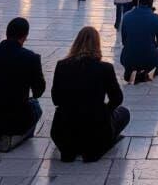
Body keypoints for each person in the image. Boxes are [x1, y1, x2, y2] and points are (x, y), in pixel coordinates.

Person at [50, 26, 131, 161]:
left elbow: (56, 99)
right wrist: (105, 111)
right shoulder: (105, 68)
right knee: (124, 113)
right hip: (95, 130)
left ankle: (73, 148)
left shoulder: (62, 65)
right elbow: (117, 98)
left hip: (63, 131)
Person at [0, 17, 46, 153]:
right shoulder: (31, 57)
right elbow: (38, 91)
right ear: (25, 36)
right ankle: (13, 139)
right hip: (15, 120)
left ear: (6, 33)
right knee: (36, 107)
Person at [120, 0, 158, 83]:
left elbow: (124, 41)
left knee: (134, 54)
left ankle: (131, 70)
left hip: (127, 58)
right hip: (149, 58)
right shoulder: (156, 18)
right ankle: (149, 71)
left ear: (138, 3)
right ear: (151, 4)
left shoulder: (126, 16)